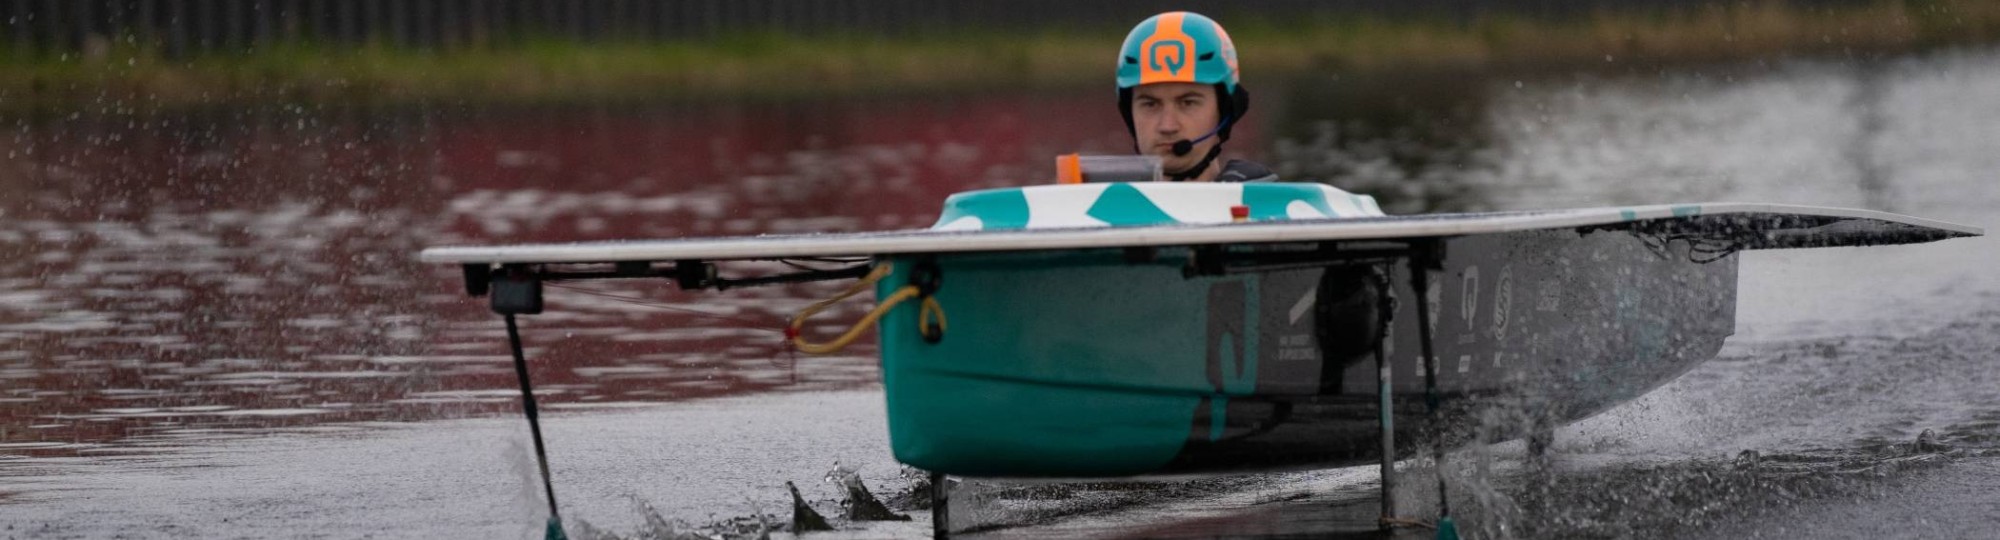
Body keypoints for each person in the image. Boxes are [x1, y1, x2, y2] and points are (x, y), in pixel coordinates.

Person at [1117, 11, 1277, 183]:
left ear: (1223, 111)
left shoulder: (1270, 205)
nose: (1167, 126)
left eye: (1188, 103)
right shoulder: (1097, 202)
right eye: (1150, 104)